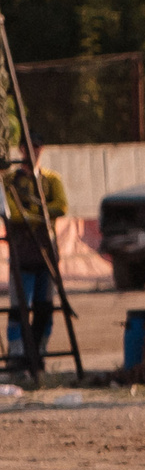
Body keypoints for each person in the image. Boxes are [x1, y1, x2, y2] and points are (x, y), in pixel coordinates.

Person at [4, 153, 69, 378]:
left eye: (38, 146)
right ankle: (18, 357)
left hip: (46, 254)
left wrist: (33, 213)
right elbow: (13, 213)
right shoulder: (11, 180)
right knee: (18, 308)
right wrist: (40, 214)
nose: (33, 151)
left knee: (44, 307)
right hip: (22, 254)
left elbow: (61, 206)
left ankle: (39, 354)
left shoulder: (51, 180)